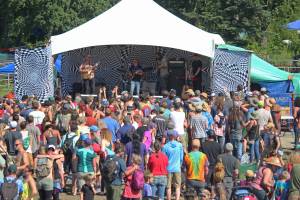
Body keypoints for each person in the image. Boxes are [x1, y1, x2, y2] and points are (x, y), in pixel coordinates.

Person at [162, 130, 183, 200]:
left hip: (168, 168)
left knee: (168, 186)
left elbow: (163, 159)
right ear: (175, 136)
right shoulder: (180, 145)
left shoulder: (165, 147)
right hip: (177, 167)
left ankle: (168, 198)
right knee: (178, 186)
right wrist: (180, 165)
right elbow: (181, 158)